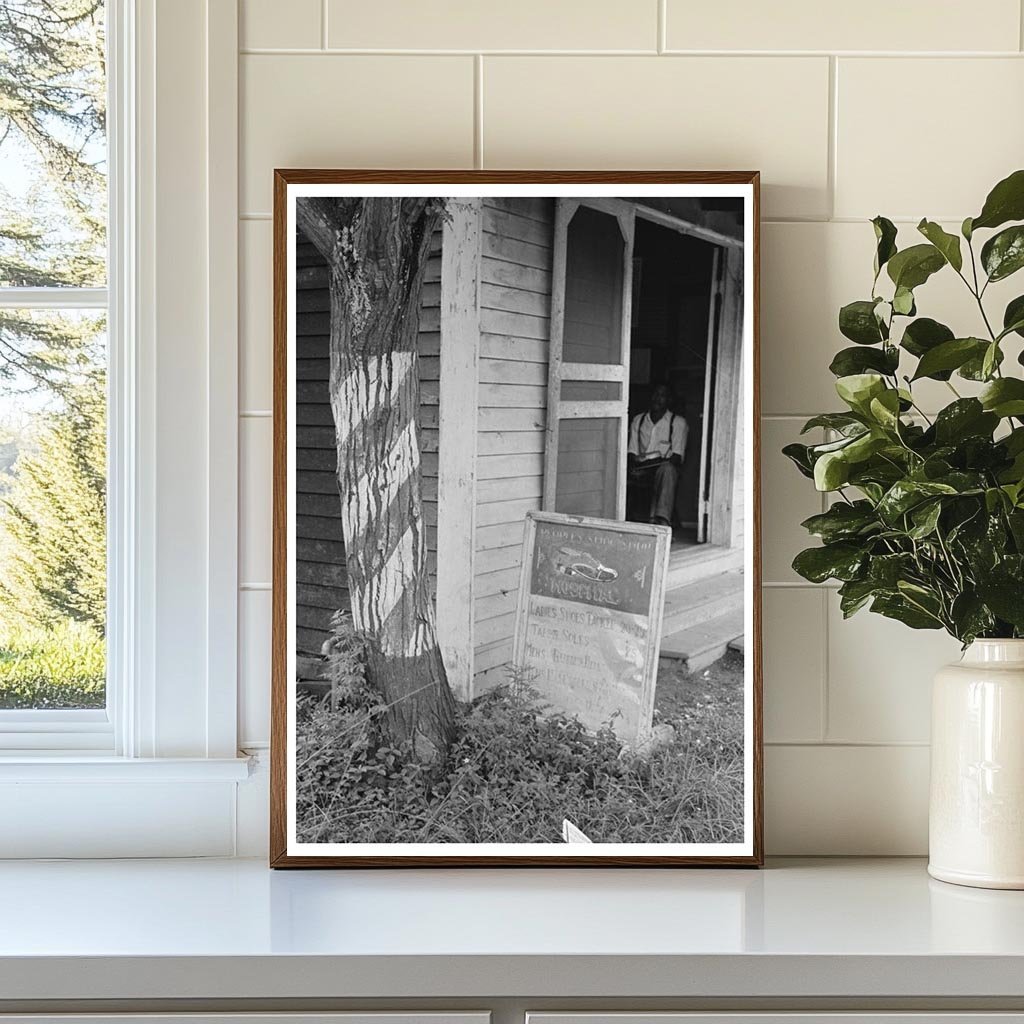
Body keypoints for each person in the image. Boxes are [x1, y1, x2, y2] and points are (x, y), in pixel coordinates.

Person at [627, 384, 688, 527]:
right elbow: (632, 451)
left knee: (667, 470)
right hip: (642, 467)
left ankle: (661, 520)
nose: (657, 399)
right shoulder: (639, 420)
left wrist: (657, 458)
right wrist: (635, 461)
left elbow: (677, 457)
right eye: (655, 395)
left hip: (663, 467)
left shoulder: (678, 423)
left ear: (669, 400)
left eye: (662, 396)